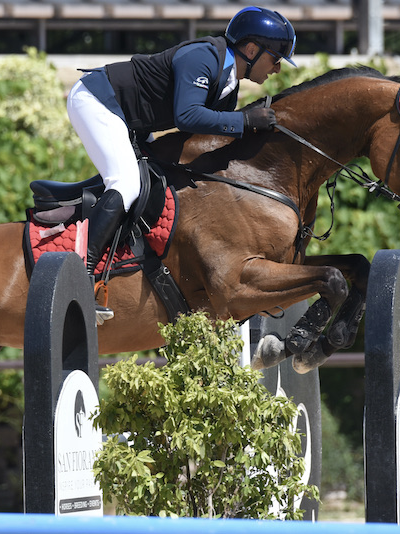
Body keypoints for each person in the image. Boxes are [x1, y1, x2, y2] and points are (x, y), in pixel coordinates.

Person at [67, 6, 297, 323]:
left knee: (155, 178)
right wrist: (244, 120)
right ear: (251, 49)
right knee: (126, 183)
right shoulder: (202, 57)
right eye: (276, 58)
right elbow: (186, 116)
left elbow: (200, 138)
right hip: (97, 101)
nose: (277, 69)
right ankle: (79, 277)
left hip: (132, 122)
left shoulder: (229, 87)